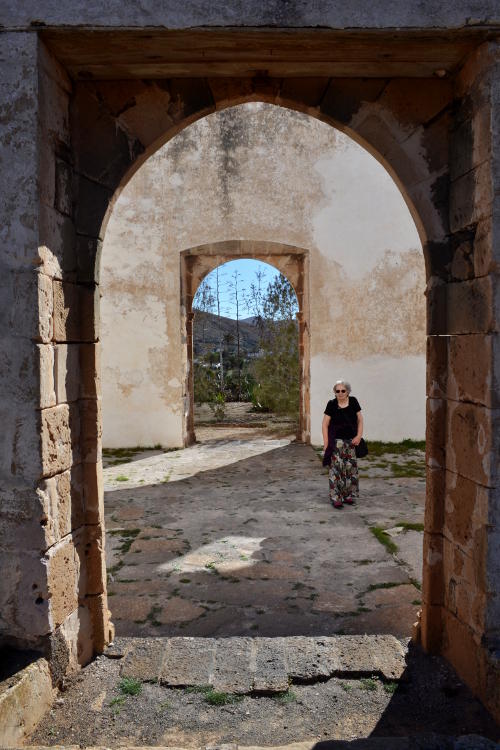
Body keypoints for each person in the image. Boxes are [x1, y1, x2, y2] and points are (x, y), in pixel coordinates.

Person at [322, 380, 364, 509]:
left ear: (348, 392)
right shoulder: (332, 404)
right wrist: (326, 443)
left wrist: (359, 436)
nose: (340, 393)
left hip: (351, 441)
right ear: (335, 392)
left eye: (343, 391)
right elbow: (325, 424)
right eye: (337, 391)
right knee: (336, 470)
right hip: (336, 442)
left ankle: (348, 495)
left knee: (350, 469)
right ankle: (336, 497)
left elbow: (360, 420)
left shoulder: (354, 402)